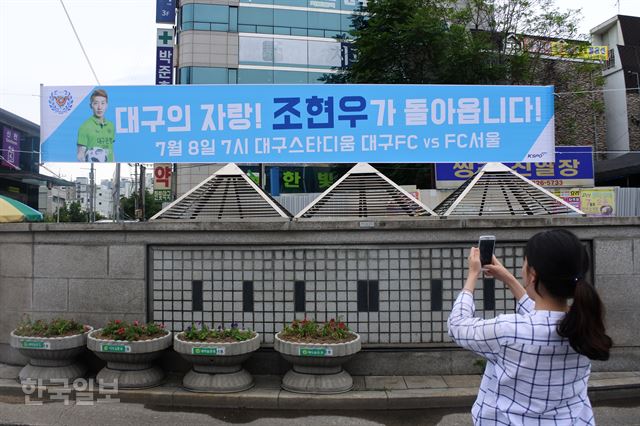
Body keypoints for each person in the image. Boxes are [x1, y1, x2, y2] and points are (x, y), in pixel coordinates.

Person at [448, 229, 612, 425]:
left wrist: (472, 275)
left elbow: (457, 325)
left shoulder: (507, 331)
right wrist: (508, 278)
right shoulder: (585, 326)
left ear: (532, 274)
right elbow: (542, 318)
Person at [77, 89, 115, 162]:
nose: (99, 107)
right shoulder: (84, 127)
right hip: (94, 167)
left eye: (103, 103)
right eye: (96, 103)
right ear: (91, 105)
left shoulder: (111, 125)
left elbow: (111, 151)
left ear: (107, 105)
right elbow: (80, 155)